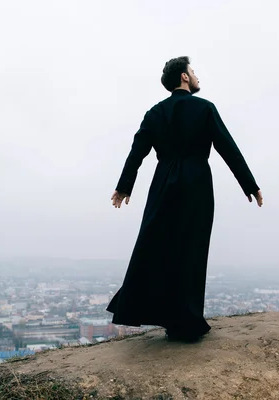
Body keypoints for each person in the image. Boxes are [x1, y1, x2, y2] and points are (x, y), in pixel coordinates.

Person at [106, 56, 263, 343]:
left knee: (158, 246)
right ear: (184, 77)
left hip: (163, 182)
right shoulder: (205, 108)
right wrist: (249, 184)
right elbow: (228, 147)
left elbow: (136, 152)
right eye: (193, 71)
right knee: (192, 248)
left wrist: (124, 187)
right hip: (196, 182)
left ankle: (167, 319)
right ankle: (187, 322)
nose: (197, 76)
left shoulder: (155, 113)